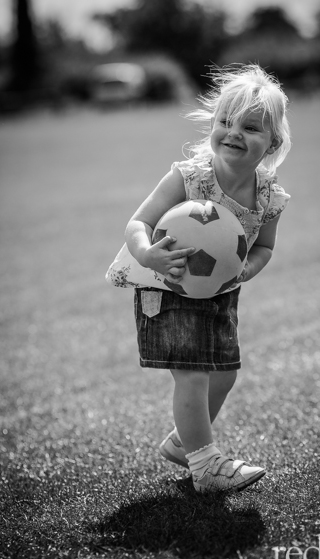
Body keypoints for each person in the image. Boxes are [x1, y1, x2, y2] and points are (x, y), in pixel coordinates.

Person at [118, 64, 292, 493]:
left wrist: (247, 268)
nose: (234, 133)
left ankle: (183, 443)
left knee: (224, 372)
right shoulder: (190, 177)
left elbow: (264, 246)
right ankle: (206, 464)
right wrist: (147, 254)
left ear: (273, 143)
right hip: (167, 285)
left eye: (251, 127)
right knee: (193, 373)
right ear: (212, 125)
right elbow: (138, 222)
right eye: (225, 122)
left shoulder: (269, 195)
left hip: (220, 292)